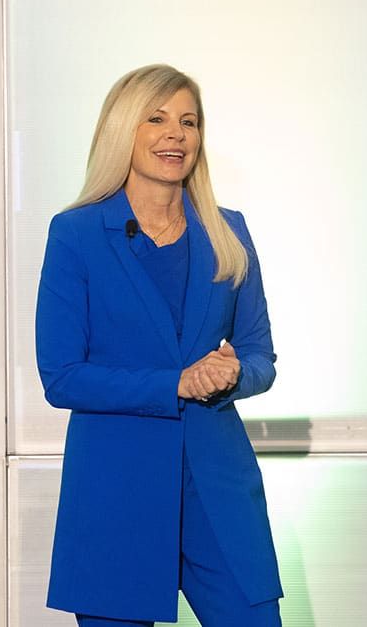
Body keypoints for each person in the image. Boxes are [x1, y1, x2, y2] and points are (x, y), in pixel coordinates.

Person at [35, 64, 282, 626]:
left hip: (217, 487)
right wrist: (175, 384)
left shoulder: (229, 231)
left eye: (189, 122)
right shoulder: (76, 235)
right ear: (123, 130)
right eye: (157, 119)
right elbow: (62, 376)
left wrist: (234, 374)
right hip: (116, 488)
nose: (176, 134)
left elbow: (260, 356)